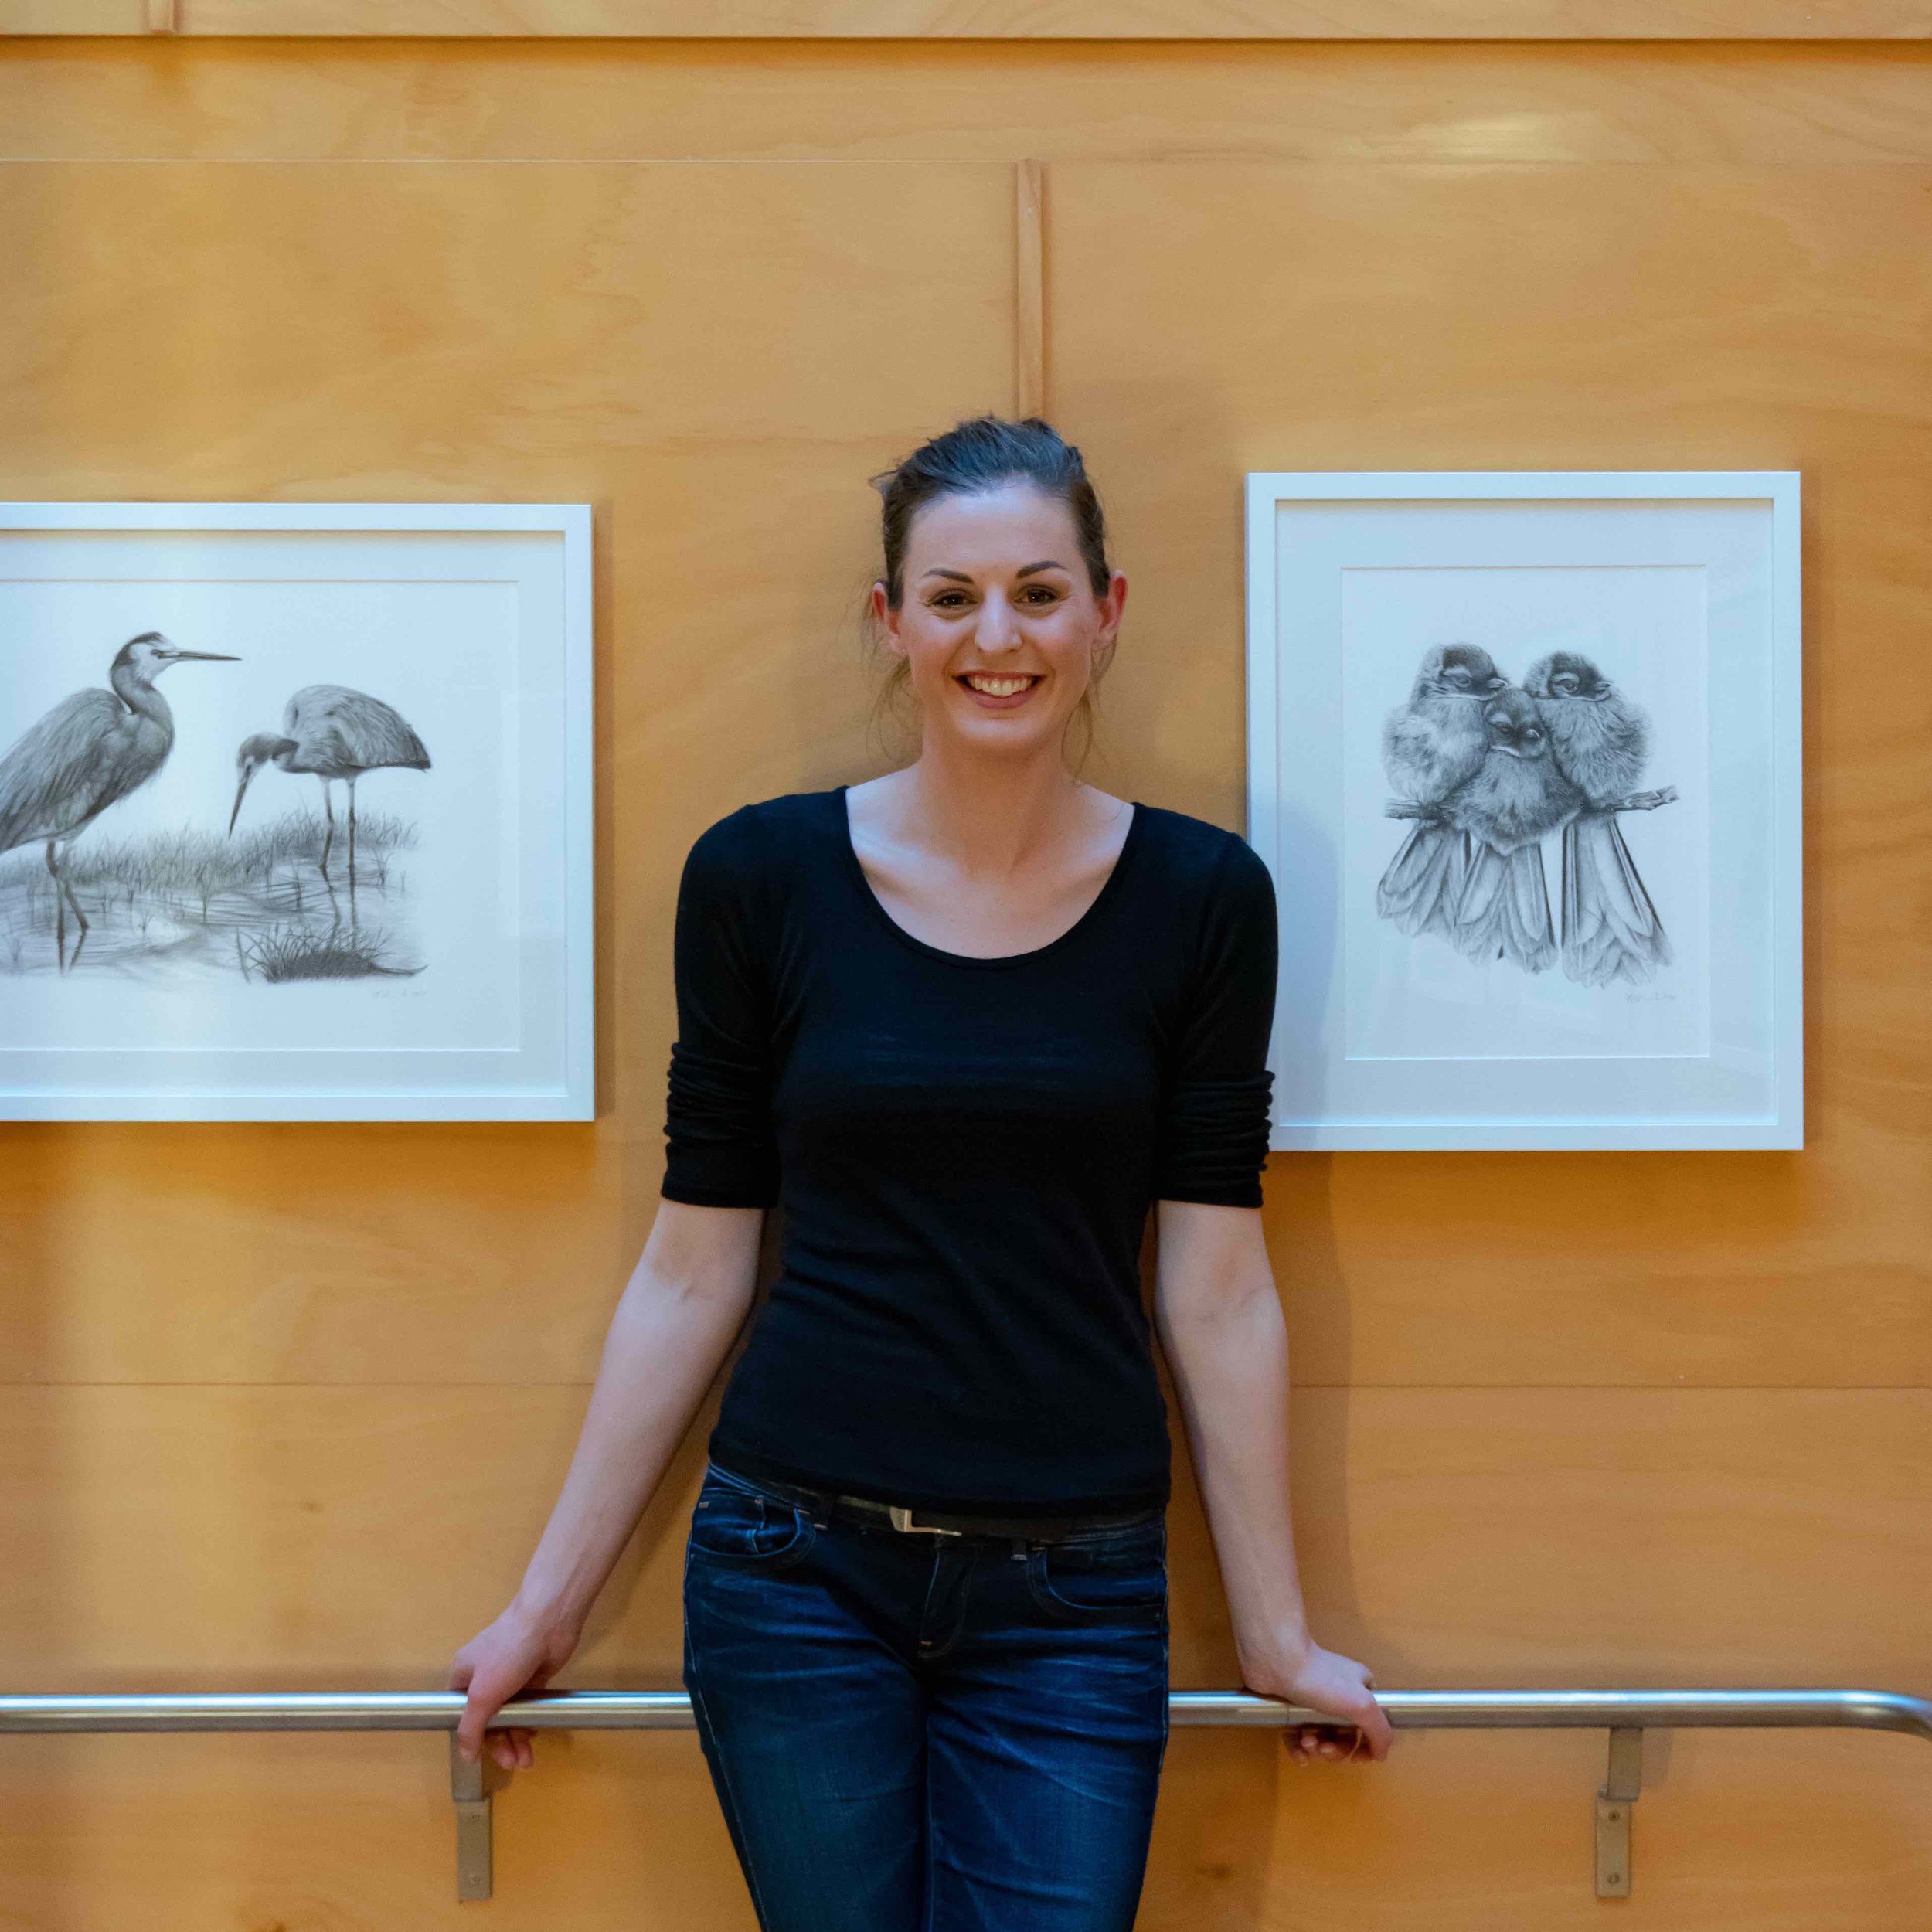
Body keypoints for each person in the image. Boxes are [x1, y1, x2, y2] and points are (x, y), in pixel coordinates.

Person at [449, 414, 1393, 1932]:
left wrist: (1276, 1631)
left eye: (1036, 589)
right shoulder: (759, 879)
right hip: (791, 1568)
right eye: (950, 597)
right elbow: (693, 1265)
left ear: (1105, 608)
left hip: (1075, 1590)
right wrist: (542, 1608)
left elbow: (1215, 1287)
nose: (997, 635)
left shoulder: (1204, 897)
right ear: (887, 622)